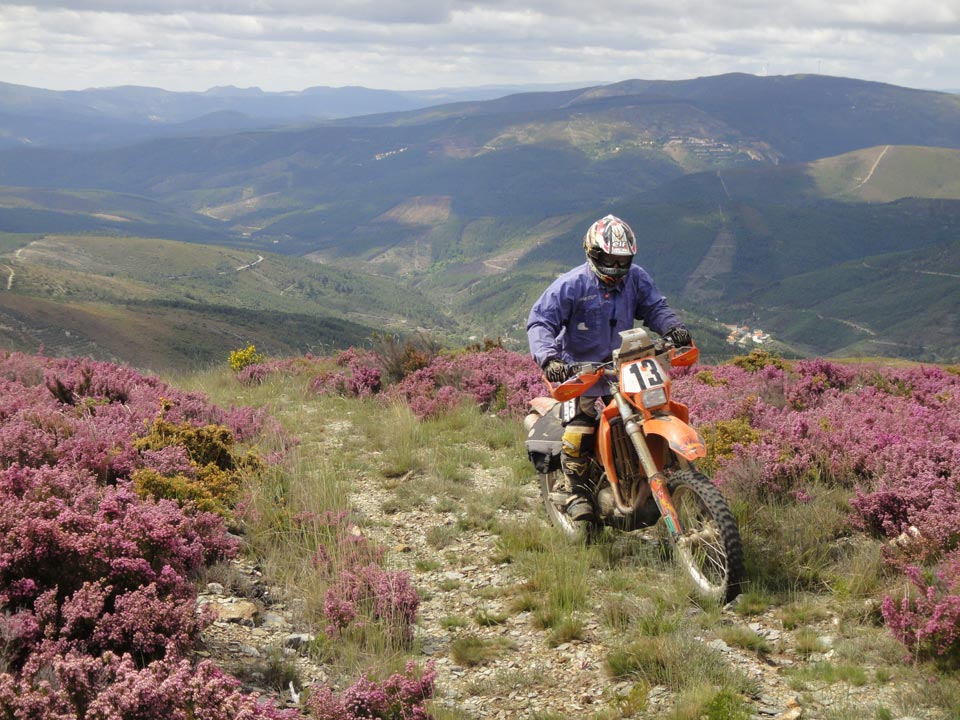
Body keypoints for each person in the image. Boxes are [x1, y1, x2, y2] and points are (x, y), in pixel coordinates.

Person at [526, 214, 692, 521]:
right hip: (580, 372)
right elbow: (540, 321)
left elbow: (655, 307)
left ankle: (648, 479)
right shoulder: (572, 285)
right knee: (580, 425)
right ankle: (574, 487)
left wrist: (673, 329)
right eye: (609, 259)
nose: (615, 267)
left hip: (624, 367)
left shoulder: (636, 278)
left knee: (650, 410)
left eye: (621, 260)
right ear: (592, 253)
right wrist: (550, 359)